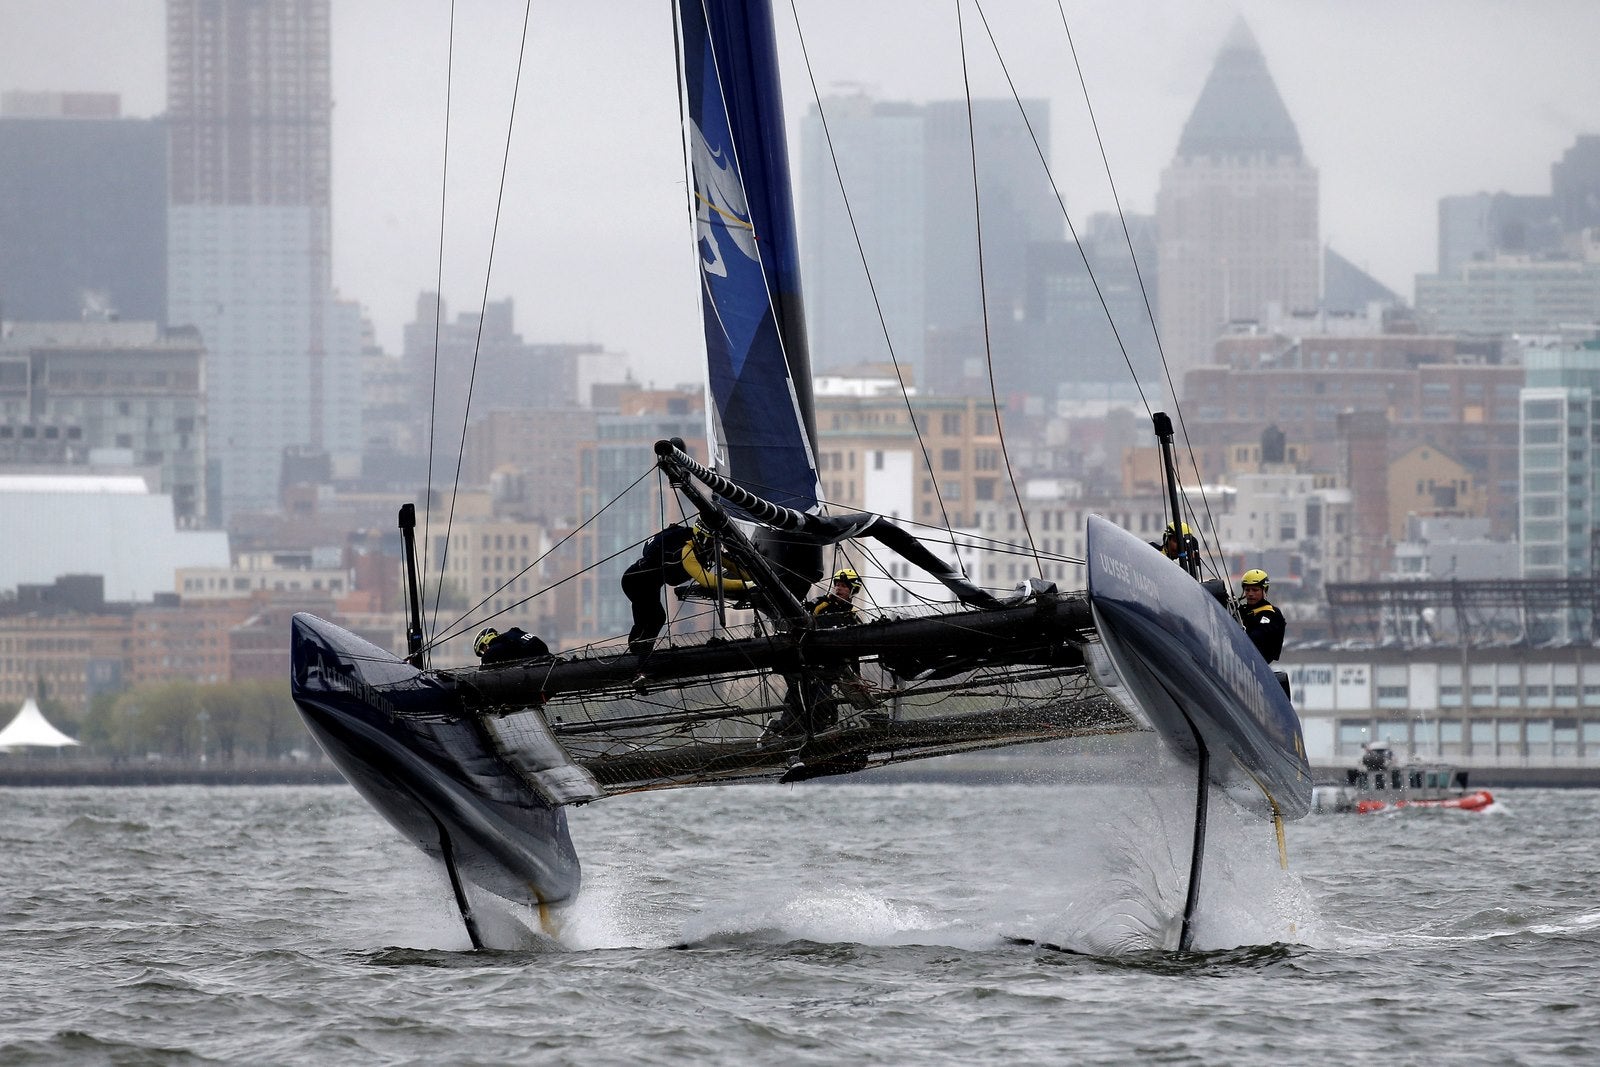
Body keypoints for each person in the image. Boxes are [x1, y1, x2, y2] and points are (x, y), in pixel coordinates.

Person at [620, 522, 752, 654]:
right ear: (703, 538)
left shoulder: (703, 546)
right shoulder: (687, 552)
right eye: (713, 540)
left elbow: (730, 564)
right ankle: (639, 655)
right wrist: (748, 585)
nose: (716, 545)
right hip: (635, 582)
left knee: (657, 618)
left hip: (649, 583)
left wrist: (753, 576)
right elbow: (710, 582)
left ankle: (642, 653)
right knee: (655, 617)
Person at [1238, 568, 1285, 663]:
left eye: (1255, 590)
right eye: (1247, 590)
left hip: (1258, 663)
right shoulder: (1241, 611)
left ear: (1264, 591)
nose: (1250, 594)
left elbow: (1258, 637)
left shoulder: (1271, 613)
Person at [473, 626, 551, 665]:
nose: (485, 652)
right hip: (547, 658)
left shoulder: (493, 649)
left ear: (486, 641)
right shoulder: (514, 634)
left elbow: (484, 671)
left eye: (483, 649)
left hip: (536, 665)